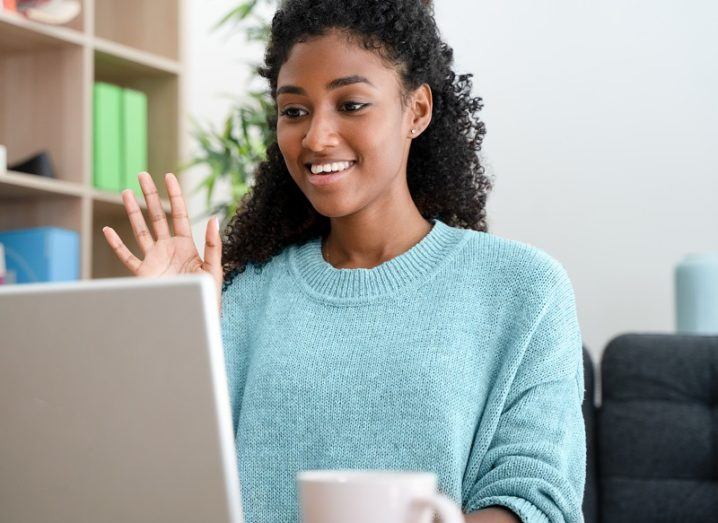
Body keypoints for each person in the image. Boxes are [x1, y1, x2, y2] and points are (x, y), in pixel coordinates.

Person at [101, 0, 586, 521]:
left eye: (351, 104)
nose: (315, 137)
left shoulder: (524, 288)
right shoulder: (242, 299)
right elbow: (162, 483)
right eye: (294, 111)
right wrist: (172, 331)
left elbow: (537, 499)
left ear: (416, 111)